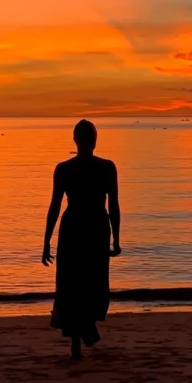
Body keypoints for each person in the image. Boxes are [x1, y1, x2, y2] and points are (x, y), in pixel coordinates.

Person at [42, 120, 121, 360]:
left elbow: (55, 207)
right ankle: (85, 332)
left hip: (76, 226)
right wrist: (116, 238)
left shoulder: (65, 168)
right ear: (94, 140)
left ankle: (80, 339)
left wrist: (46, 240)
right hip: (94, 226)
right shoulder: (106, 167)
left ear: (75, 139)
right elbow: (114, 206)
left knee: (74, 284)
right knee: (87, 282)